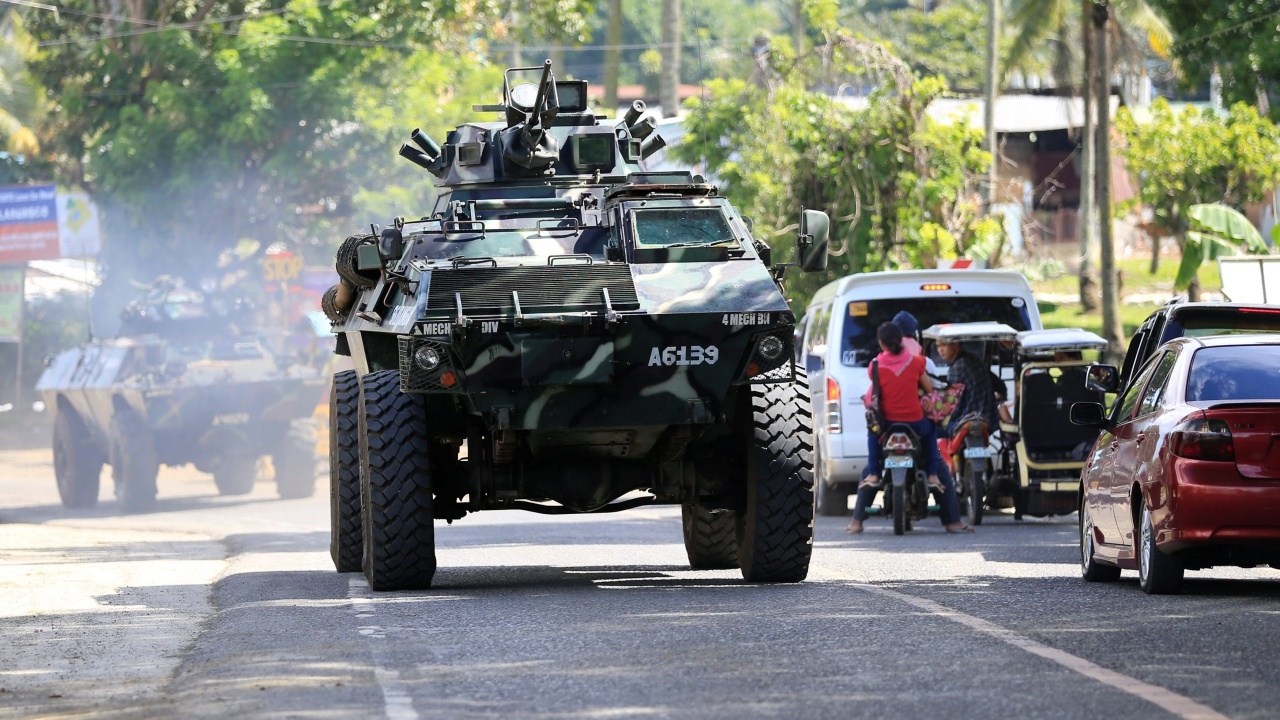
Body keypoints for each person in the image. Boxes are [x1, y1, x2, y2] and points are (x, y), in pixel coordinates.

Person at [846, 322, 971, 534]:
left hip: (886, 426)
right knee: (931, 431)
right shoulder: (917, 362)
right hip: (914, 423)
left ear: (881, 343)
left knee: (871, 450)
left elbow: (875, 390)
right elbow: (930, 389)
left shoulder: (874, 365)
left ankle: (857, 519)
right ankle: (950, 516)